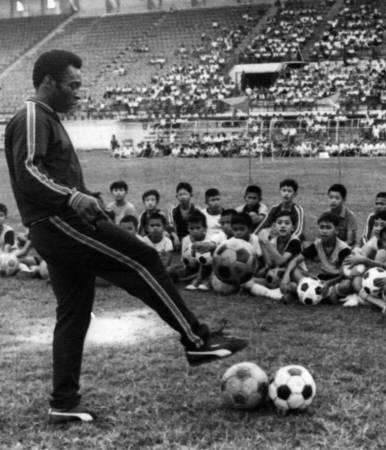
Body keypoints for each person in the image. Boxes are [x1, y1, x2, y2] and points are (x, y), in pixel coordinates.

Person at [3, 50, 247, 424]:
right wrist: (72, 196)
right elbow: (28, 170)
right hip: (59, 222)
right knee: (143, 258)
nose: (78, 94)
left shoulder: (46, 117)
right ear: (48, 82)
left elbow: (47, 172)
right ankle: (197, 341)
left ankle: (63, 402)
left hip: (55, 224)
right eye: (72, 85)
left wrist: (85, 195)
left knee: (74, 313)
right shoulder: (33, 115)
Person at [282, 212, 353, 303]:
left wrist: (329, 283)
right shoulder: (317, 244)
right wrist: (286, 276)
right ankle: (307, 292)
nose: (324, 231)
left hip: (336, 281)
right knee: (293, 269)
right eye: (322, 227)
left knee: (346, 285)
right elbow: (296, 260)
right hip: (321, 280)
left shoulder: (344, 249)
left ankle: (298, 293)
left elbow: (343, 274)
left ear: (336, 230)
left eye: (328, 227)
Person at [168, 181, 203, 246]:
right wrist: (175, 238)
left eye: (185, 194)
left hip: (193, 236)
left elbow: (201, 227)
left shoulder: (198, 210)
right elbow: (171, 226)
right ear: (176, 196)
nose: (182, 197)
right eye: (180, 195)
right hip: (178, 237)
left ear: (191, 195)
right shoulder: (173, 210)